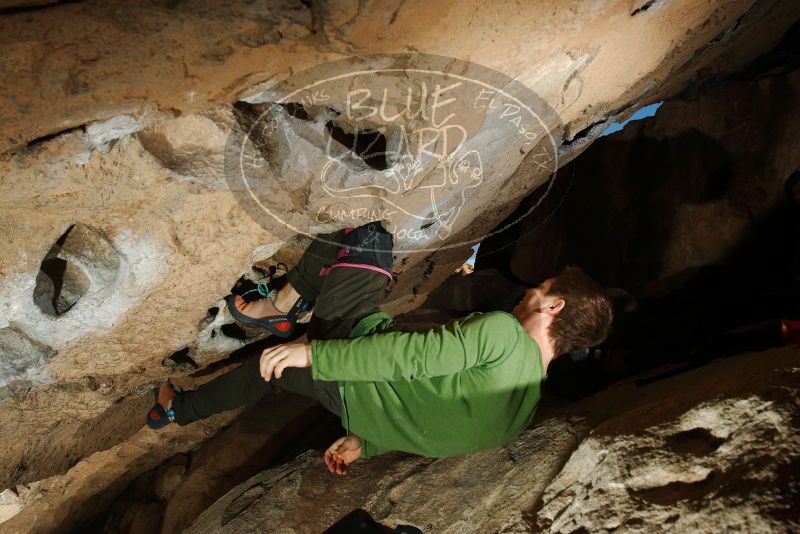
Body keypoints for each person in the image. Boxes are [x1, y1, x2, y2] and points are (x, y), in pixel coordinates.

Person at [146, 222, 613, 475]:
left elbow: (410, 358)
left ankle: (281, 304)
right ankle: (175, 410)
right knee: (269, 371)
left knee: (369, 236)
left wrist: (317, 354)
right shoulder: (521, 409)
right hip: (353, 405)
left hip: (351, 358)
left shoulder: (504, 335)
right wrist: (366, 443)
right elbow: (440, 433)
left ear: (555, 304)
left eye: (541, 287)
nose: (529, 289)